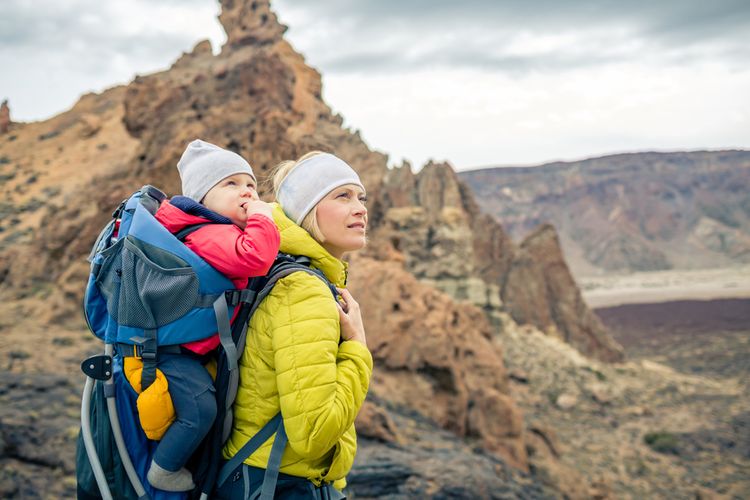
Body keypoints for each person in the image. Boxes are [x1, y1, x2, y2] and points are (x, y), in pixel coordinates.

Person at [217, 152, 373, 499]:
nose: (361, 208)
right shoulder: (304, 291)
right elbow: (313, 432)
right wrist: (358, 348)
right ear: (308, 210)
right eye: (342, 196)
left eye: (361, 197)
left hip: (260, 477)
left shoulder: (284, 271)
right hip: (279, 485)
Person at [146, 139, 281, 491]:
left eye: (251, 184)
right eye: (231, 184)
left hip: (188, 348)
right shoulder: (207, 233)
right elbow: (254, 258)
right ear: (203, 197)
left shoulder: (214, 229)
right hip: (172, 354)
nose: (247, 192)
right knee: (200, 411)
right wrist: (264, 219)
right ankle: (163, 469)